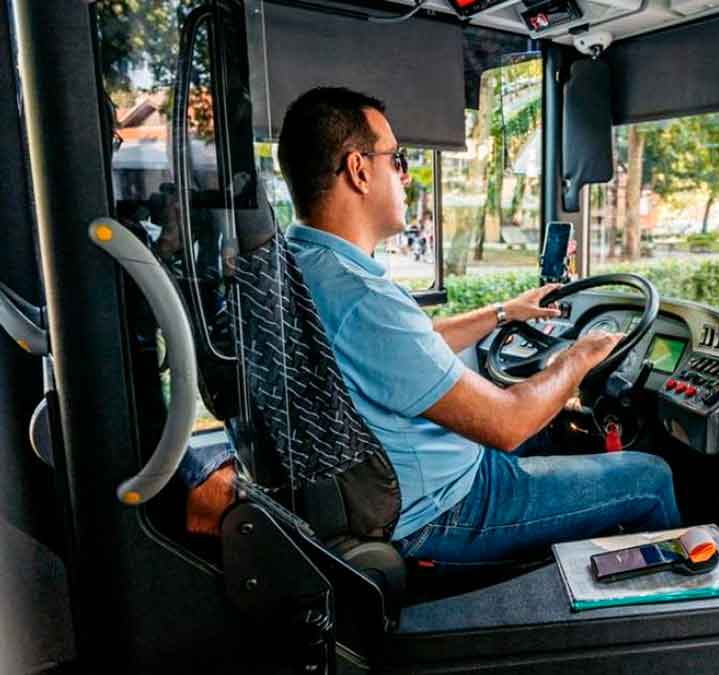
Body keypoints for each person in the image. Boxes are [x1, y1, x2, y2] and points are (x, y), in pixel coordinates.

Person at [181, 87, 681, 565]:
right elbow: (507, 424)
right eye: (397, 160)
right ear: (358, 171)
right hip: (442, 511)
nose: (405, 176)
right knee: (651, 476)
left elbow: (407, 346)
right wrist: (581, 356)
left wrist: (501, 314)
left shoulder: (302, 267)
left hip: (419, 479)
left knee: (556, 432)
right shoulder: (361, 297)